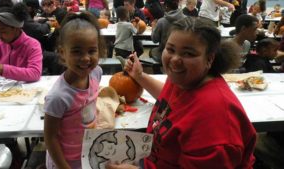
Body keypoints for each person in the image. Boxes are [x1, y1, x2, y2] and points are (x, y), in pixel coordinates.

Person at [106, 17, 256, 169]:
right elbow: (172, 100)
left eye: (188, 54)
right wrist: (139, 76)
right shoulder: (185, 79)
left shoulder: (214, 123)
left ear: (209, 59)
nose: (175, 59)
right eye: (170, 49)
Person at [43, 11, 106, 169]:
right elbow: (50, 138)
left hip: (86, 155)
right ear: (63, 53)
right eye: (77, 51)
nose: (85, 58)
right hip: (64, 163)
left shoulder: (96, 73)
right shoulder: (58, 97)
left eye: (92, 51)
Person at [0, 3, 42, 82]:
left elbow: (34, 73)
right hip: (2, 90)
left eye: (3, 31)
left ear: (16, 29)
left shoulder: (32, 45)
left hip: (25, 91)